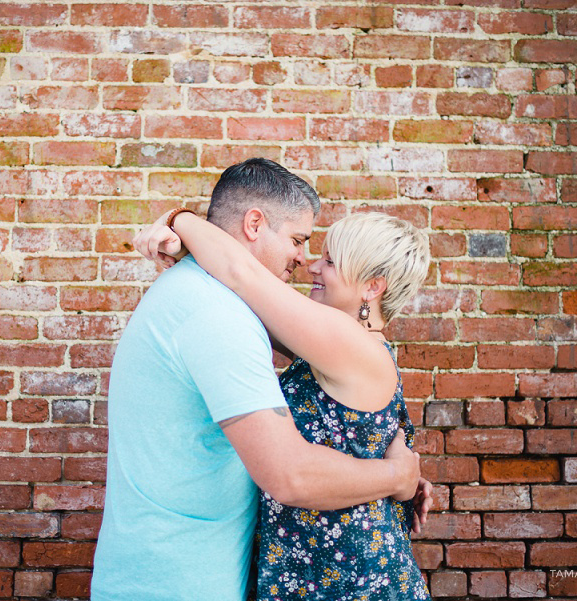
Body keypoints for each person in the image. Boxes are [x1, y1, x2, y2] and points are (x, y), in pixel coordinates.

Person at [91, 159, 430, 601]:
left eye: (329, 259)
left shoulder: (346, 340)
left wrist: (180, 219)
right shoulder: (228, 315)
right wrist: (393, 474)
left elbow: (242, 274)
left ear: (372, 287)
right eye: (301, 242)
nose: (309, 263)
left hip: (350, 574)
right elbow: (240, 276)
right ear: (255, 223)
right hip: (289, 570)